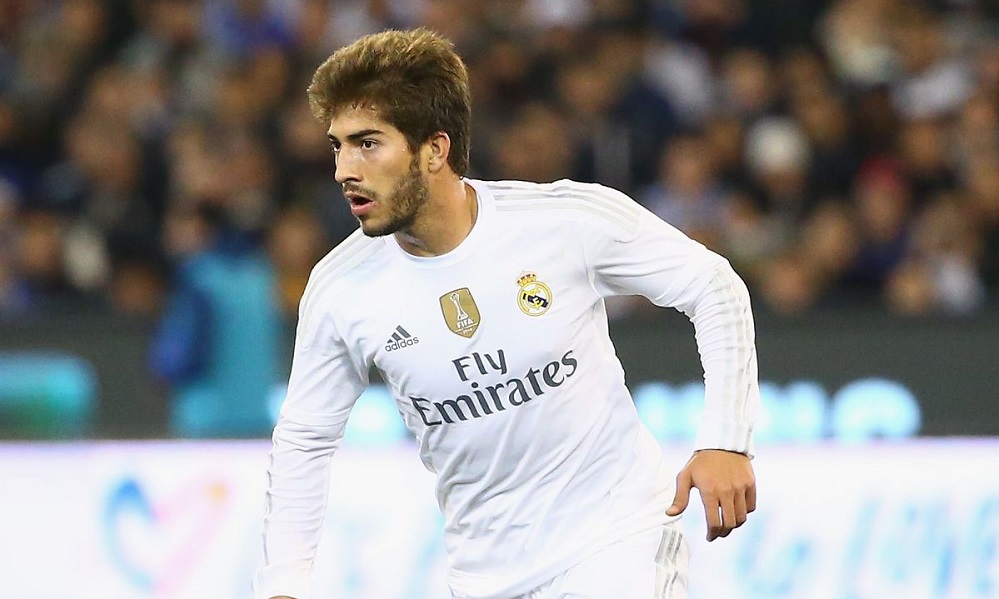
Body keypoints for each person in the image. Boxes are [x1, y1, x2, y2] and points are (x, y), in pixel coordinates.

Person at [255, 28, 759, 599]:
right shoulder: (341, 287)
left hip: (617, 540)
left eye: (367, 143)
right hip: (484, 577)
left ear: (435, 150)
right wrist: (281, 587)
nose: (344, 169)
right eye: (337, 146)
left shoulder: (562, 222)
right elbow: (304, 440)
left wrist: (726, 438)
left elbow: (714, 286)